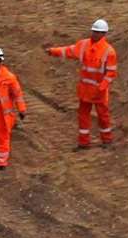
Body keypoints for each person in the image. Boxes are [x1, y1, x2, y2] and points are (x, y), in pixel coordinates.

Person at [47, 18, 118, 148]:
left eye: (98, 32)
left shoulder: (109, 52)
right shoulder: (84, 45)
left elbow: (111, 73)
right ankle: (83, 142)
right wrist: (53, 51)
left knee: (103, 116)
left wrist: (102, 87)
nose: (95, 34)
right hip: (85, 89)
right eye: (94, 31)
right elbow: (69, 51)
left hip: (98, 92)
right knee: (83, 116)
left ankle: (107, 140)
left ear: (104, 34)